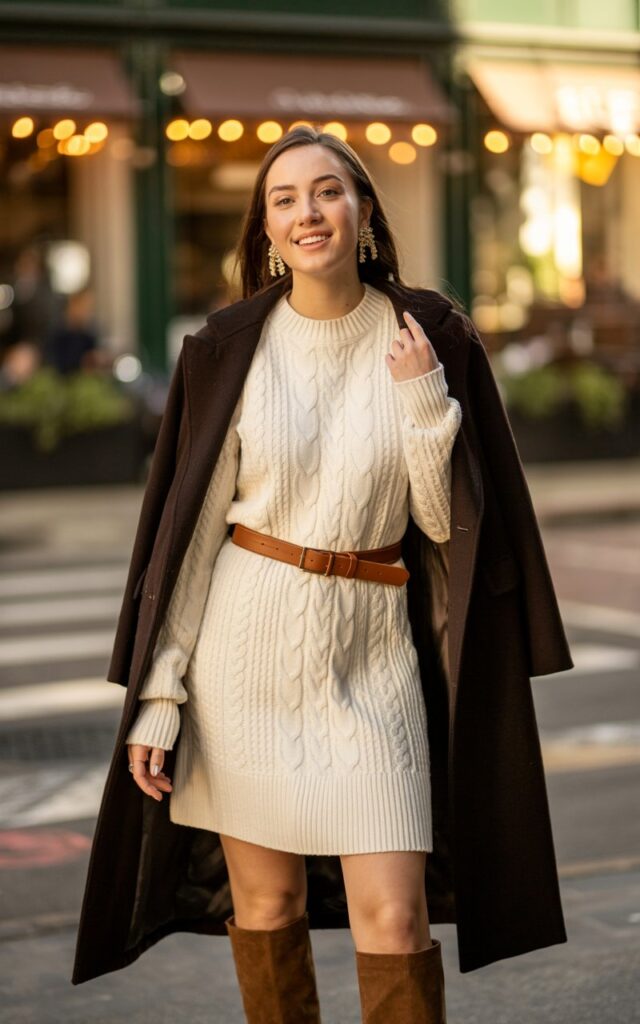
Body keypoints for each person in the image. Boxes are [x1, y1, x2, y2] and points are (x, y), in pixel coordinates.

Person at [124, 126, 460, 1021]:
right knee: (268, 906)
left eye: (326, 191)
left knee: (396, 915)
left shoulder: (422, 336)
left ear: (362, 211)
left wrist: (424, 400)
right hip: (245, 660)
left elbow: (439, 526)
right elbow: (194, 536)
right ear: (267, 228)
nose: (307, 212)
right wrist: (160, 690)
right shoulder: (233, 346)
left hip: (373, 654)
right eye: (284, 199)